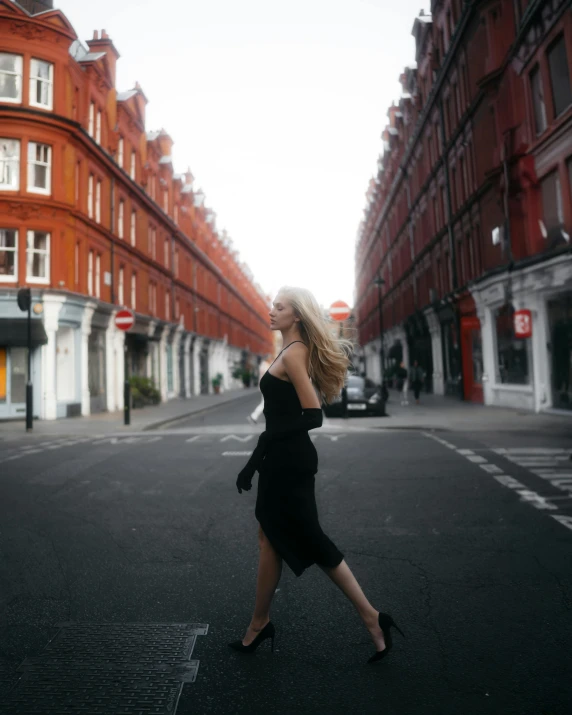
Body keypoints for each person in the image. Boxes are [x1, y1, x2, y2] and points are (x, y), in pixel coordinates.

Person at [230, 286, 405, 663]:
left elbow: (312, 416)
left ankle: (373, 618)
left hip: (288, 463)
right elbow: (281, 418)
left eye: (280, 307)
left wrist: (258, 456)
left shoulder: (294, 354)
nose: (271, 311)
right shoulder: (289, 351)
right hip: (283, 458)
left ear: (296, 316)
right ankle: (259, 623)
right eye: (273, 305)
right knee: (270, 537)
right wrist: (255, 459)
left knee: (308, 540)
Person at [247, 354, 272, 425]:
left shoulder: (264, 365)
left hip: (265, 386)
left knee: (268, 403)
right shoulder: (266, 366)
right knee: (264, 403)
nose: (271, 359)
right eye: (270, 358)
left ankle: (254, 417)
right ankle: (253, 416)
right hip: (266, 387)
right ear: (267, 359)